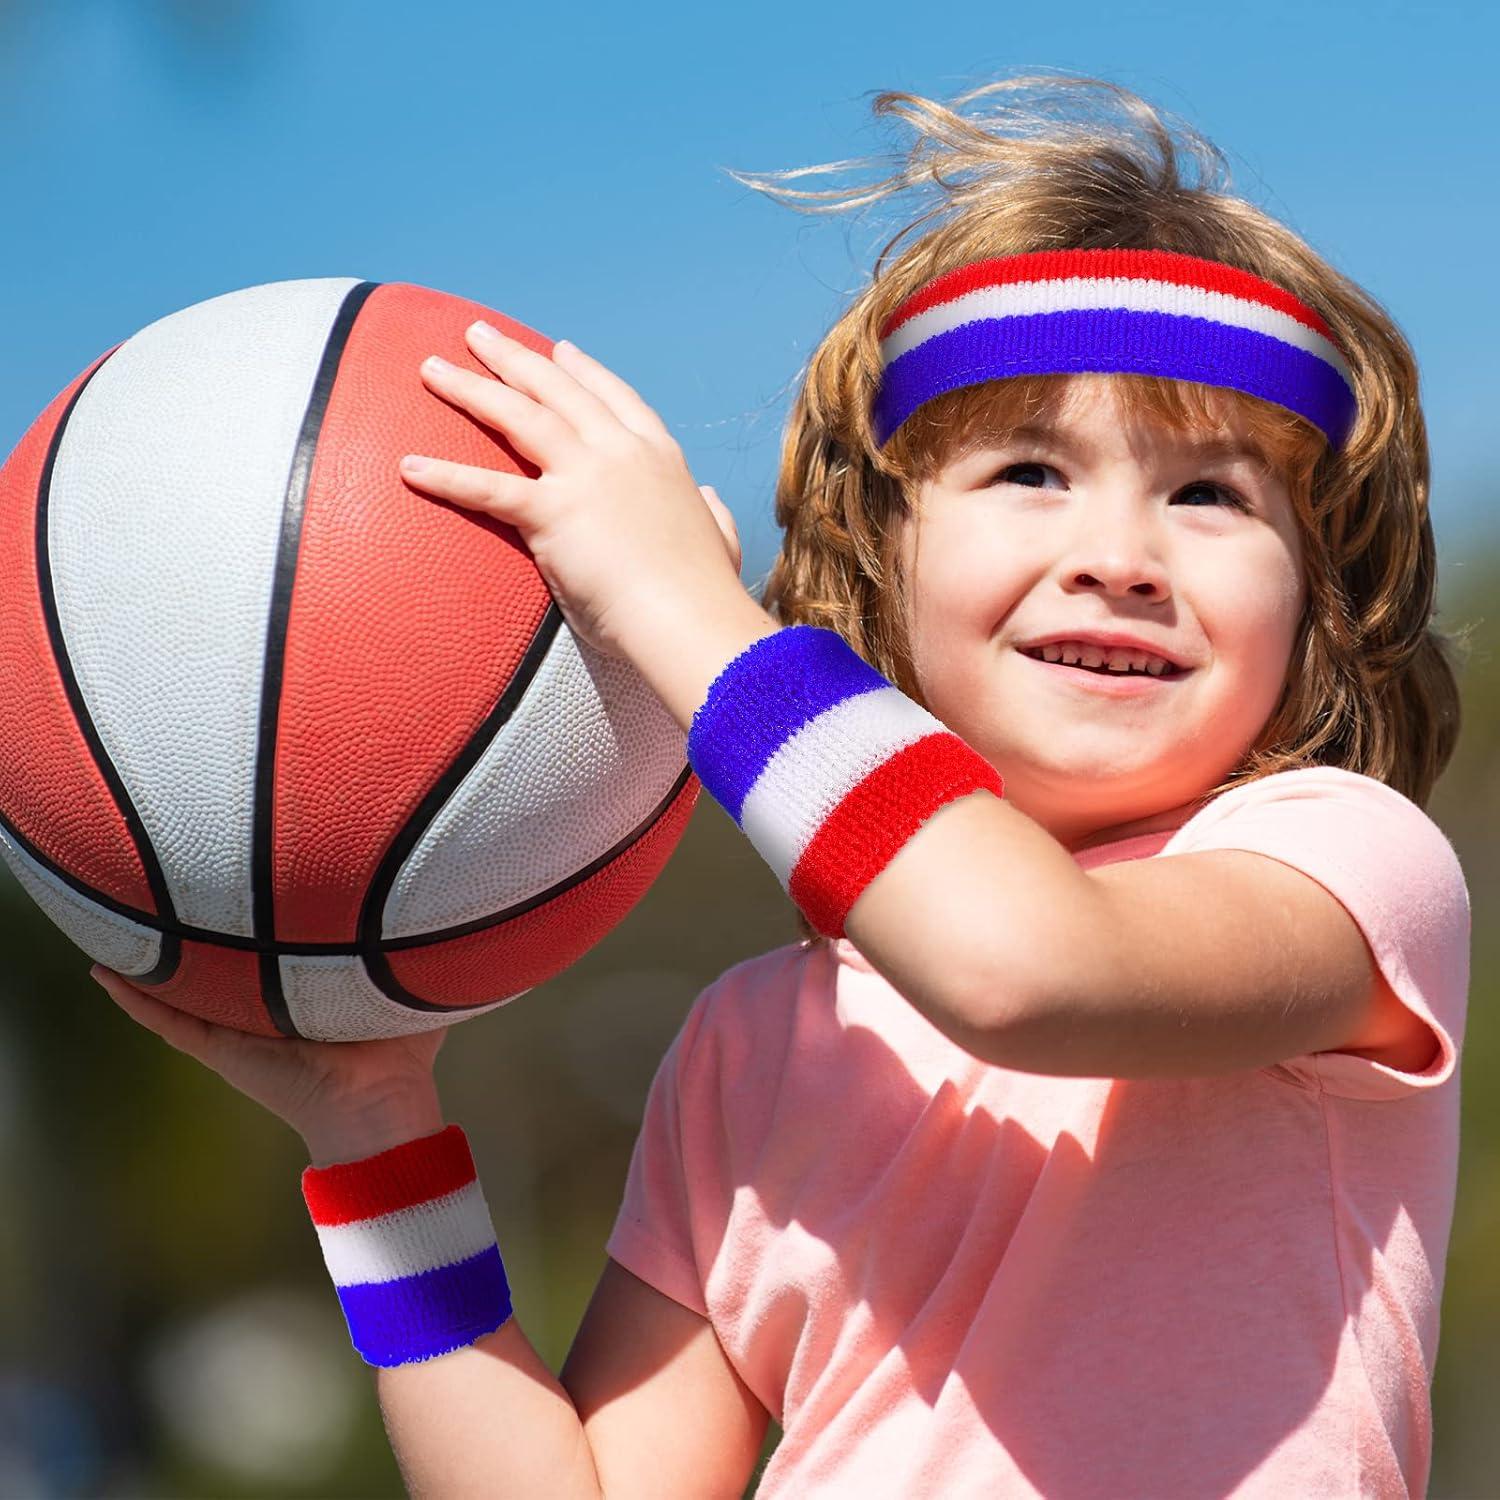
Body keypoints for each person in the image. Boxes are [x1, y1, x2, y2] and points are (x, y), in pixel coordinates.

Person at [96, 74, 1471, 1498]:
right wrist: (375, 1136)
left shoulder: (1345, 867)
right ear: (884, 553)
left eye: (1211, 495)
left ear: (1316, 601)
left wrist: (676, 605)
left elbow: (1018, 965)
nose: (1120, 556)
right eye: (1028, 470)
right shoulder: (754, 1045)